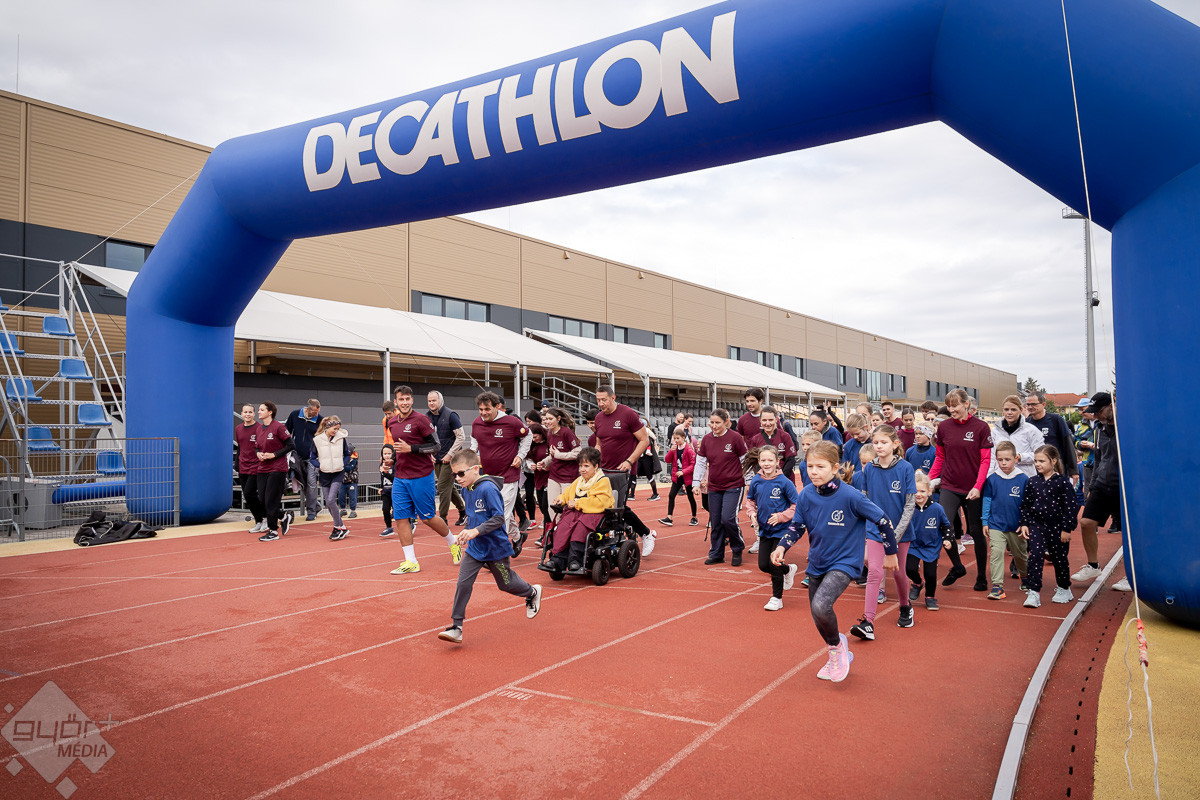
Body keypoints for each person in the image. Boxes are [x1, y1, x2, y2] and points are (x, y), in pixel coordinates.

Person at [770, 441, 898, 683]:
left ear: (835, 467)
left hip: (845, 562)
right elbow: (797, 526)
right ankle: (837, 649)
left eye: (820, 466)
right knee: (817, 614)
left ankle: (836, 650)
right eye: (810, 466)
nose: (814, 471)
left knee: (821, 606)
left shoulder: (851, 496)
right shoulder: (806, 494)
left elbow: (883, 520)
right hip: (818, 561)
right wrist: (781, 546)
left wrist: (890, 552)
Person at [438, 450, 542, 645]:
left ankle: (532, 592)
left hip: (496, 549)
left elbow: (498, 518)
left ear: (475, 469)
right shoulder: (466, 490)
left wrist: (476, 531)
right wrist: (466, 533)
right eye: (454, 474)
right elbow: (473, 516)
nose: (457, 478)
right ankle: (456, 627)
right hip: (475, 549)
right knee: (463, 584)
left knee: (505, 584)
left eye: (461, 473)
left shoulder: (488, 489)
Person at [850, 425, 917, 639]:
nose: (879, 446)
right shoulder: (869, 468)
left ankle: (905, 606)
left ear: (895, 444)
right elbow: (864, 500)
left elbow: (910, 505)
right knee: (875, 573)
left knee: (898, 572)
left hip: (900, 532)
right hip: (875, 530)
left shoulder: (905, 468)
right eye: (876, 442)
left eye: (883, 442)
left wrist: (894, 536)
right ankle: (868, 622)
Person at [386, 386, 461, 574]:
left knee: (427, 518)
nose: (404, 402)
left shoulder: (421, 419)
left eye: (407, 399)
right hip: (400, 477)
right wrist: (392, 460)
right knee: (401, 518)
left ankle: (453, 542)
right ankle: (411, 561)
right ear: (396, 402)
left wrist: (411, 449)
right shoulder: (392, 422)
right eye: (401, 399)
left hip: (421, 475)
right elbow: (398, 447)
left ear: (412, 400)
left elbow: (436, 447)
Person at [929, 388, 994, 591]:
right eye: (948, 406)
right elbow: (940, 457)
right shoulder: (944, 427)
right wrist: (928, 480)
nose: (951, 410)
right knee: (944, 526)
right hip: (949, 485)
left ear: (966, 404)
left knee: (975, 531)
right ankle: (958, 567)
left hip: (973, 488)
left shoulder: (981, 427)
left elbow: (985, 460)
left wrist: (978, 486)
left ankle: (981, 577)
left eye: (955, 406)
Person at [1072, 392, 1130, 590]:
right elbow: (1098, 457)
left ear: (1112, 405)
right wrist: (1092, 485)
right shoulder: (1098, 429)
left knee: (1129, 533)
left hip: (1124, 486)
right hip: (1102, 484)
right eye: (1093, 412)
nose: (1095, 415)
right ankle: (1093, 565)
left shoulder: (1128, 425)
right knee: (1086, 523)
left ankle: (1132, 575)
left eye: (1099, 411)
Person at [593, 386, 657, 556]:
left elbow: (644, 440)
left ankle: (645, 534)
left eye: (604, 399)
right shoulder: (599, 418)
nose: (601, 403)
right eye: (598, 400)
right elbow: (599, 443)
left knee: (618, 507)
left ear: (613, 397)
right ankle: (625, 535)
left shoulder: (628, 414)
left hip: (623, 470)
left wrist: (629, 461)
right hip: (603, 470)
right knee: (605, 506)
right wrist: (594, 462)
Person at [471, 391, 533, 554]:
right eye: (481, 409)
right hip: (488, 477)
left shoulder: (511, 422)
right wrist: (473, 452)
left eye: (487, 409)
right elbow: (474, 438)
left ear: (497, 407)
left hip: (508, 476)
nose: (483, 413)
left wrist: (520, 456)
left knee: (501, 516)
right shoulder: (477, 423)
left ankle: (495, 552)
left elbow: (528, 435)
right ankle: (517, 537)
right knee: (499, 512)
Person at [1019, 445, 1078, 607]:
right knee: (1035, 556)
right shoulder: (1032, 482)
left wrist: (1066, 528)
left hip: (1057, 528)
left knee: (1059, 558)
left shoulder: (1063, 482)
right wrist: (1024, 523)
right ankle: (1033, 592)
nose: (1037, 464)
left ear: (1053, 461)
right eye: (1036, 461)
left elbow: (1071, 507)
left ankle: (1064, 588)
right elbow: (1025, 505)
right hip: (1037, 526)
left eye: (1042, 461)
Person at [744, 446, 800, 610]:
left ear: (777, 461)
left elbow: (796, 505)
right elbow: (750, 500)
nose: (766, 463)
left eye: (770, 460)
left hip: (782, 530)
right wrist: (751, 513)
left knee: (774, 563)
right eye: (763, 460)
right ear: (759, 461)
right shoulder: (757, 480)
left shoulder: (785, 482)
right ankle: (788, 569)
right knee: (763, 565)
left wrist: (781, 516)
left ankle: (777, 598)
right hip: (764, 530)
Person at [694, 408, 749, 566]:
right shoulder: (706, 439)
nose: (714, 426)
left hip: (734, 485)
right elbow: (700, 462)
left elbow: (745, 460)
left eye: (717, 422)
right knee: (716, 521)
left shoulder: (735, 438)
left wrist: (749, 481)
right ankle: (717, 553)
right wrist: (696, 483)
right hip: (714, 486)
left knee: (728, 518)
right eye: (711, 422)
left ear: (726, 422)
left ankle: (737, 547)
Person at [547, 447, 615, 572]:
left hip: (594, 513)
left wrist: (578, 503)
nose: (582, 469)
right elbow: (567, 494)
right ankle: (557, 559)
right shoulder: (579, 481)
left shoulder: (603, 481)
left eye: (586, 466)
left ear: (595, 466)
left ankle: (575, 560)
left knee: (580, 527)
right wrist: (561, 500)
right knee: (563, 526)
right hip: (576, 513)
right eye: (580, 466)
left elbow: (601, 502)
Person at [982, 441, 1030, 600]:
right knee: (996, 552)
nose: (1003, 463)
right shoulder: (992, 479)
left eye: (1007, 459)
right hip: (996, 525)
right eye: (1000, 459)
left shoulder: (1023, 479)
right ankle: (997, 586)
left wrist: (1025, 523)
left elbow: (1027, 504)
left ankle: (1025, 576)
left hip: (1016, 527)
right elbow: (987, 501)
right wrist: (985, 521)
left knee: (1020, 555)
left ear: (1016, 459)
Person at [906, 471, 953, 610]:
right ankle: (917, 583)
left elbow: (946, 525)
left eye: (922, 491)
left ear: (929, 491)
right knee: (909, 568)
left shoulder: (937, 508)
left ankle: (930, 597)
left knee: (931, 574)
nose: (918, 494)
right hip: (913, 545)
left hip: (931, 546)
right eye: (915, 491)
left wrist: (947, 539)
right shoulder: (908, 507)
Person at [255, 401, 295, 541]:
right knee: (262, 499)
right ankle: (283, 516)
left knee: (271, 500)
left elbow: (291, 445)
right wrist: (258, 454)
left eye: (261, 409)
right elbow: (257, 447)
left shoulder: (279, 427)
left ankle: (273, 531)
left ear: (270, 412)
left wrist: (274, 455)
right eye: (259, 409)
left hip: (277, 468)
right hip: (263, 467)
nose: (258, 412)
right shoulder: (259, 429)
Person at [427, 390, 468, 527]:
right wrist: (429, 454)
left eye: (434, 400)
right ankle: (463, 511)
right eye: (429, 401)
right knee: (448, 487)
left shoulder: (451, 415)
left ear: (440, 401)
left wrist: (450, 454)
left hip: (451, 459)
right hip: (437, 458)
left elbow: (461, 437)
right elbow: (426, 438)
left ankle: (442, 519)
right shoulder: (426, 417)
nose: (431, 403)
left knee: (442, 487)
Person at [1024, 391, 1080, 483]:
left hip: (1056, 469)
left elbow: (1068, 445)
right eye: (1028, 404)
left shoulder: (1056, 420)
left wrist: (1073, 470)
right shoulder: (1027, 423)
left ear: (1043, 404)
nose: (1030, 407)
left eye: (1033, 404)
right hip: (1035, 470)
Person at [539, 407, 581, 524]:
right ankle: (556, 529)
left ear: (558, 419)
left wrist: (559, 455)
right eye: (546, 419)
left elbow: (578, 453)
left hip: (568, 477)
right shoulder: (549, 433)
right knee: (552, 507)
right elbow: (552, 455)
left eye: (550, 419)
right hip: (554, 475)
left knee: (566, 507)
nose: (547, 421)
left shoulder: (566, 432)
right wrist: (544, 462)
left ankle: (567, 529)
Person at [313, 415, 352, 540]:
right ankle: (342, 527)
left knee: (330, 500)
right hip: (324, 474)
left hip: (337, 473)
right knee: (329, 503)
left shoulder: (341, 439)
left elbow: (347, 454)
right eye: (334, 428)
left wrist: (343, 464)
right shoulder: (317, 440)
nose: (336, 431)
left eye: (338, 428)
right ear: (327, 426)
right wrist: (319, 465)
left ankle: (336, 527)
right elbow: (312, 457)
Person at [285, 398, 323, 520]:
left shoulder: (320, 419)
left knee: (311, 483)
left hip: (312, 456)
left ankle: (311, 511)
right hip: (297, 455)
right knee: (302, 482)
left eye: (317, 412)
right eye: (314, 412)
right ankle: (316, 506)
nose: (316, 414)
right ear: (308, 408)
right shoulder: (295, 415)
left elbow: (321, 437)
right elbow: (286, 432)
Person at [989, 394, 1040, 477]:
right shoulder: (995, 431)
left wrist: (1021, 457)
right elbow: (991, 457)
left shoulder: (1031, 430)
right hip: (1001, 477)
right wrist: (989, 476)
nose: (1009, 413)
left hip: (1025, 477)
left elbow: (1040, 455)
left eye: (1013, 409)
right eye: (1006, 409)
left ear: (1021, 410)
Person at [234, 403, 266, 534]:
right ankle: (258, 521)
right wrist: (237, 463)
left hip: (255, 466)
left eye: (250, 412)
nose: (247, 414)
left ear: (254, 414)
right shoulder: (238, 428)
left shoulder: (259, 428)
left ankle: (265, 519)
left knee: (249, 493)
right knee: (247, 496)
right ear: (241, 414)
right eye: (245, 412)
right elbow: (240, 447)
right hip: (243, 466)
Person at [659, 427, 698, 527]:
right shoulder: (674, 448)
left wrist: (683, 472)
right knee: (671, 495)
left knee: (690, 497)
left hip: (687, 477)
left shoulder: (689, 450)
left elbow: (693, 465)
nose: (676, 440)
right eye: (674, 438)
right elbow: (667, 460)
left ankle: (694, 517)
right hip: (677, 477)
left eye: (678, 438)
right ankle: (669, 517)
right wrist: (670, 451)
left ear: (683, 438)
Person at [634, 421, 661, 501]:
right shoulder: (637, 434)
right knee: (634, 475)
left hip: (647, 458)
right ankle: (631, 494)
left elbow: (652, 440)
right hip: (639, 457)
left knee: (649, 475)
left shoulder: (648, 435)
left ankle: (655, 494)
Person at [338, 442, 359, 520]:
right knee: (341, 495)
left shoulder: (353, 459)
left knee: (352, 496)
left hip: (352, 481)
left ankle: (353, 511)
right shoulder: (342, 458)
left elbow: (349, 468)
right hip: (343, 481)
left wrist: (342, 466)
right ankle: (343, 509)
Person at [378, 444, 396, 537]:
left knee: (398, 510)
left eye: (389, 453)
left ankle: (409, 524)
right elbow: (382, 478)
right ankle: (389, 527)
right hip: (386, 491)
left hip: (395, 490)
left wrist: (385, 473)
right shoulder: (382, 464)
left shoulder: (395, 465)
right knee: (385, 509)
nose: (387, 456)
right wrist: (381, 487)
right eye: (385, 454)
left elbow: (395, 479)